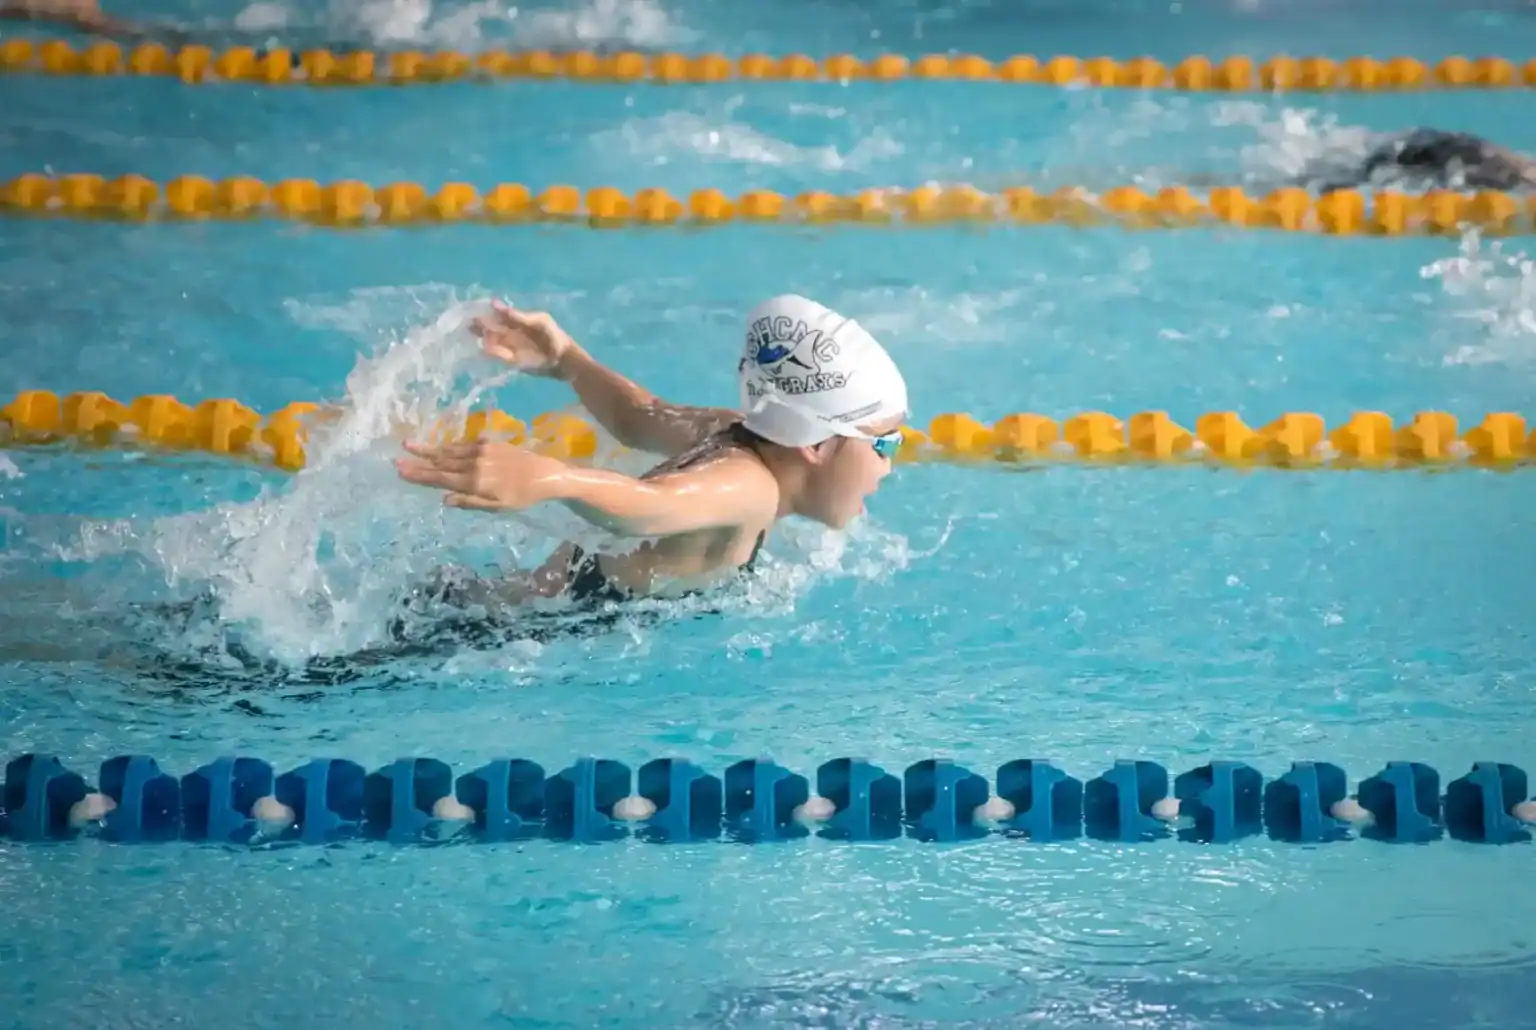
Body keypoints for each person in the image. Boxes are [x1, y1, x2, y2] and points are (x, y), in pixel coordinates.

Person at [393, 293, 910, 613]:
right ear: (818, 443)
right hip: (502, 632)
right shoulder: (749, 487)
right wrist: (555, 479)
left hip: (498, 604)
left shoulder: (730, 430)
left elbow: (640, 416)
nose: (890, 466)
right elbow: (650, 506)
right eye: (884, 443)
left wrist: (569, 361)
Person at [1316, 128, 1536, 193]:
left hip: (1441, 145)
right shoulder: (1513, 175)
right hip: (1430, 150)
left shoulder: (1519, 171)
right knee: (1359, 178)